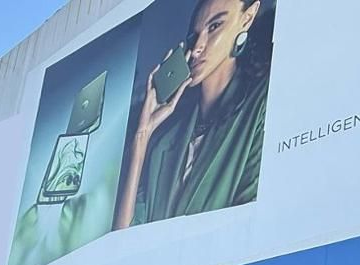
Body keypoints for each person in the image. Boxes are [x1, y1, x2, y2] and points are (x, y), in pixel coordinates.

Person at [113, 0, 270, 230]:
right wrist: (142, 136)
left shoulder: (261, 106)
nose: (197, 47)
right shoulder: (164, 145)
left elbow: (251, 223)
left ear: (246, 18)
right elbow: (123, 238)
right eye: (194, 36)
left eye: (214, 26)